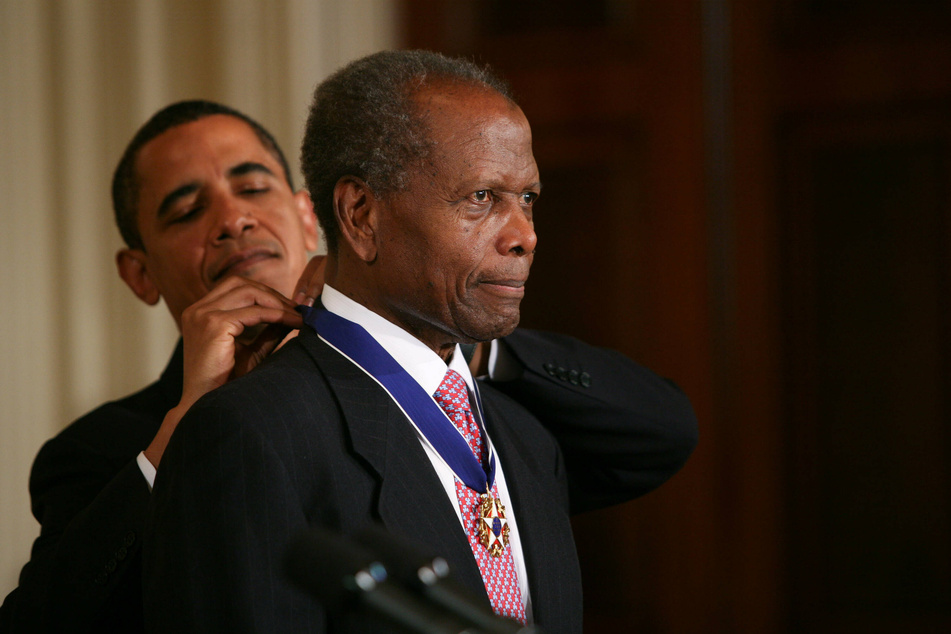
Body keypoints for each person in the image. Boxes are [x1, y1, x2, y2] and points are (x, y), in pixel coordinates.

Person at [143, 50, 697, 634]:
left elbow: (667, 431)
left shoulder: (525, 433)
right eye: (482, 198)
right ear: (360, 215)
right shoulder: (253, 432)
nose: (525, 236)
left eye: (528, 198)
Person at [0, 100, 323, 633]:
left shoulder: (400, 378)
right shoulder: (98, 452)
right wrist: (187, 423)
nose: (232, 220)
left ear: (308, 218)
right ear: (140, 275)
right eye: (187, 212)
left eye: (253, 187)